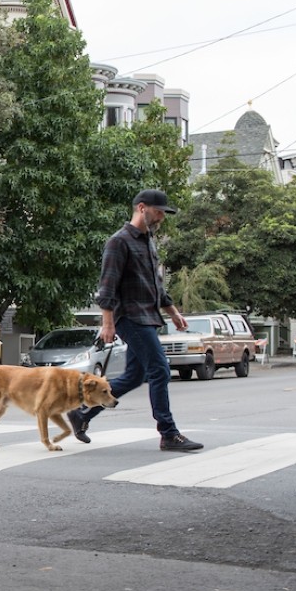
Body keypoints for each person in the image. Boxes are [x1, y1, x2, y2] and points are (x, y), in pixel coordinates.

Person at [67, 189, 203, 453]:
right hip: (130, 316)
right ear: (142, 208)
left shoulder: (148, 240)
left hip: (149, 316)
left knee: (133, 376)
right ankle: (168, 433)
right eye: (159, 211)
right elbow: (106, 288)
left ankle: (82, 413)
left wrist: (173, 312)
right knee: (160, 370)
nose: (162, 216)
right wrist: (108, 323)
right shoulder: (119, 242)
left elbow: (156, 285)